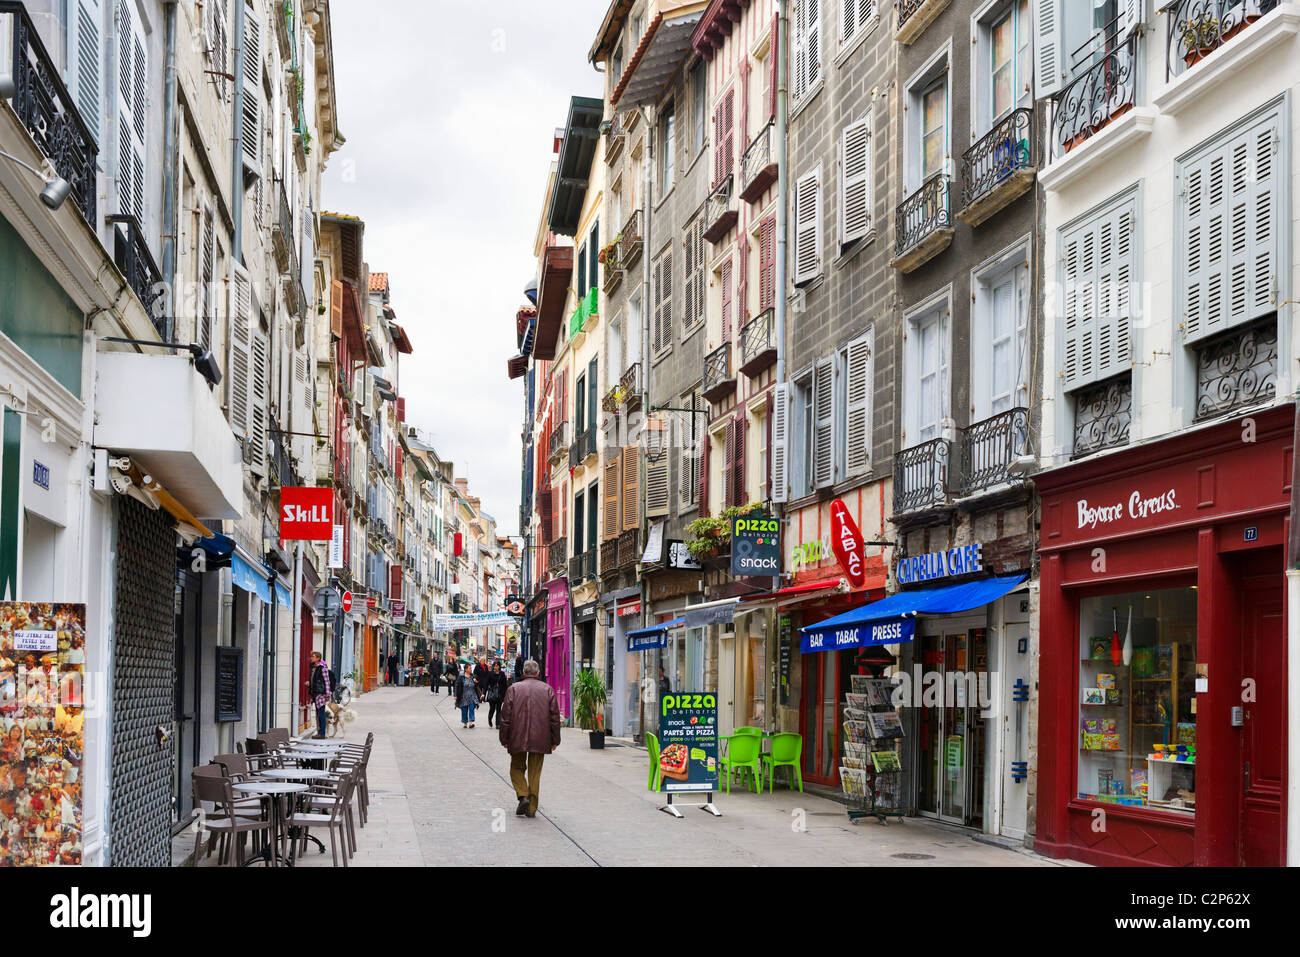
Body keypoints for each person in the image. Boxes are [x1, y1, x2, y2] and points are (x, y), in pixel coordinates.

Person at [498, 659, 561, 818]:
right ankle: (531, 808)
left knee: (516, 769)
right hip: (541, 738)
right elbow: (555, 718)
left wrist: (504, 739)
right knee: (535, 773)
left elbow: (505, 717)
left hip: (517, 737)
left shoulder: (513, 689)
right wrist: (555, 740)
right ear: (538, 673)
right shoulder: (548, 690)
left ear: (524, 673)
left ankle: (523, 795)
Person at [307, 651, 332, 739]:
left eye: (313, 657)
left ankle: (322, 734)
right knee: (318, 713)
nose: (311, 658)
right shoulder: (313, 668)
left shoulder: (323, 668)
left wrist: (327, 694)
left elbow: (327, 681)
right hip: (315, 693)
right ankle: (320, 732)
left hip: (321, 693)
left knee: (321, 713)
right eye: (311, 657)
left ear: (318, 658)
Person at [455, 663, 480, 728]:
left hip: (472, 696)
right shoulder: (461, 677)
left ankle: (470, 723)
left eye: (471, 668)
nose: (471, 669)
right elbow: (457, 686)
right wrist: (455, 695)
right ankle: (465, 723)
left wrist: (476, 682)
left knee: (471, 708)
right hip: (463, 696)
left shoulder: (473, 676)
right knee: (464, 710)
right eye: (469, 668)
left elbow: (477, 685)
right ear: (466, 669)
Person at [485, 660, 508, 728]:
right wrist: (483, 693)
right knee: (492, 709)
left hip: (500, 694)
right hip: (492, 694)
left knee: (498, 709)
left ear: (499, 666)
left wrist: (505, 694)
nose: (496, 667)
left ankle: (498, 724)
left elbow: (505, 685)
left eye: (497, 666)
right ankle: (490, 719)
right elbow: (486, 684)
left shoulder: (502, 674)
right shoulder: (490, 673)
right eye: (495, 666)